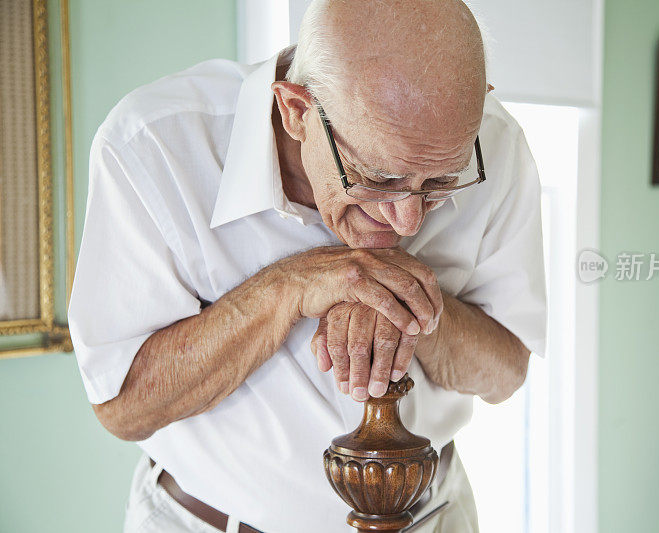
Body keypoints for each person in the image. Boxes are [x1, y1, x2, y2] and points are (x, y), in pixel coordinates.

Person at [67, 0, 547, 531]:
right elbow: (124, 408)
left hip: (433, 518)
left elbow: (506, 374)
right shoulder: (153, 146)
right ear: (296, 111)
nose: (409, 222)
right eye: (378, 177)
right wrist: (286, 288)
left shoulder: (494, 143)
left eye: (440, 183)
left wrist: (404, 299)